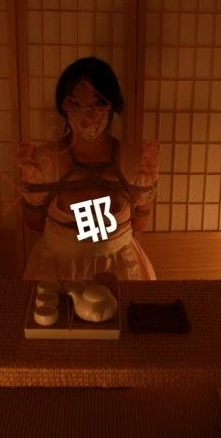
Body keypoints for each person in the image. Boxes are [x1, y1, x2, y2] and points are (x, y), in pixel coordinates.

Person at [15, 56, 159, 281]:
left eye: (98, 103)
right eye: (75, 104)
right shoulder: (41, 162)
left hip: (120, 269)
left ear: (112, 104)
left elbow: (140, 223)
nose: (87, 114)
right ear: (62, 106)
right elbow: (33, 222)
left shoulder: (138, 161)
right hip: (56, 270)